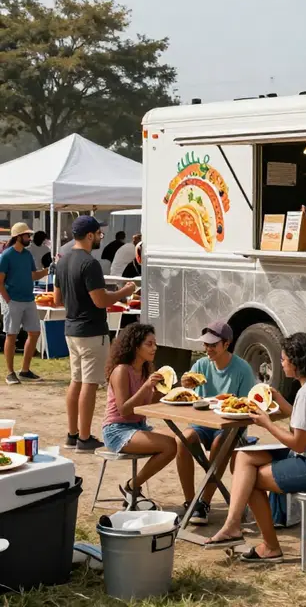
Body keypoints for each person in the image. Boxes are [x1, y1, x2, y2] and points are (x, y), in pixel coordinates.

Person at [204, 333, 306, 561]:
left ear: (297, 361)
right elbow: (305, 422)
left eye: (283, 359)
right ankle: (233, 525)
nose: (281, 363)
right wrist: (278, 399)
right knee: (244, 457)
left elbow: (299, 443)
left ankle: (270, 546)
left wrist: (266, 424)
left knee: (251, 480)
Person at [54, 216, 136, 453]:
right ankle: (84, 437)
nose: (101, 237)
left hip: (71, 329)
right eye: (99, 234)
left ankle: (72, 434)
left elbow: (57, 299)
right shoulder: (90, 263)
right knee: (89, 385)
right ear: (89, 235)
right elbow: (100, 301)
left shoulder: (63, 261)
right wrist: (123, 292)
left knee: (76, 381)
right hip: (91, 330)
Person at [176, 320, 257, 525]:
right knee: (182, 440)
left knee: (219, 444)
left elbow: (246, 406)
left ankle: (204, 502)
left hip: (231, 425)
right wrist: (185, 386)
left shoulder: (242, 369)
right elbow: (190, 398)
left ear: (226, 344)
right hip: (203, 423)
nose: (208, 349)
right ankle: (191, 502)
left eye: (213, 344)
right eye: (206, 344)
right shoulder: (201, 365)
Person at [102, 323, 177, 506]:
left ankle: (134, 487)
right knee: (169, 446)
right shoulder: (121, 370)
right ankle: (132, 486)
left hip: (139, 426)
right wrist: (147, 386)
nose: (154, 348)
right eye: (149, 344)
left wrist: (167, 388)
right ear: (136, 346)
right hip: (117, 430)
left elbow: (149, 404)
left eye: (155, 343)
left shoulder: (145, 369)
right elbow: (124, 410)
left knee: (181, 440)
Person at [0, 223, 49, 385]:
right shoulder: (6, 255)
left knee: (34, 333)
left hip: (28, 299)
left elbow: (33, 275)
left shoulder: (27, 255)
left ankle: (25, 371)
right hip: (13, 300)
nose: (30, 238)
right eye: (27, 235)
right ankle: (10, 373)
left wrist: (47, 270)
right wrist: (7, 299)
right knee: (11, 335)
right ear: (18, 237)